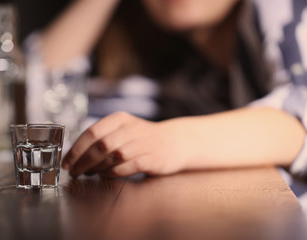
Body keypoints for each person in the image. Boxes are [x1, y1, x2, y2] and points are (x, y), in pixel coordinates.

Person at [25, 0, 307, 178]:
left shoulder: (281, 8)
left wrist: (170, 141)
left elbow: (302, 111)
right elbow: (32, 95)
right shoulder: (193, 75)